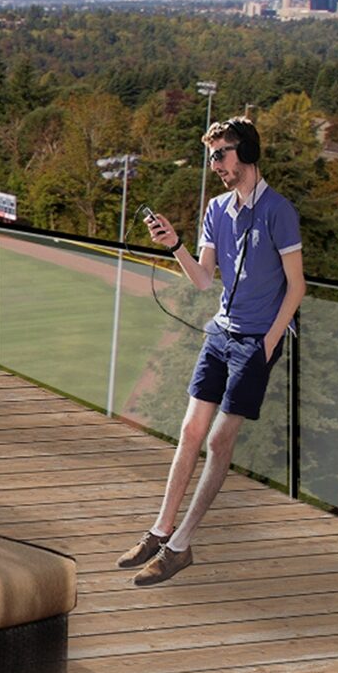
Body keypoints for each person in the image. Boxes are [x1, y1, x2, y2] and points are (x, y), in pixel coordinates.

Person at [130, 116, 306, 586]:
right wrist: (175, 246)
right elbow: (205, 279)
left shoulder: (278, 211)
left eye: (221, 154)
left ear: (246, 153)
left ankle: (181, 545)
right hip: (220, 333)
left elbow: (297, 286)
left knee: (217, 442)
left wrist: (268, 345)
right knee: (190, 431)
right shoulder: (215, 208)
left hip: (255, 342)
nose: (216, 165)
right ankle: (160, 529)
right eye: (211, 157)